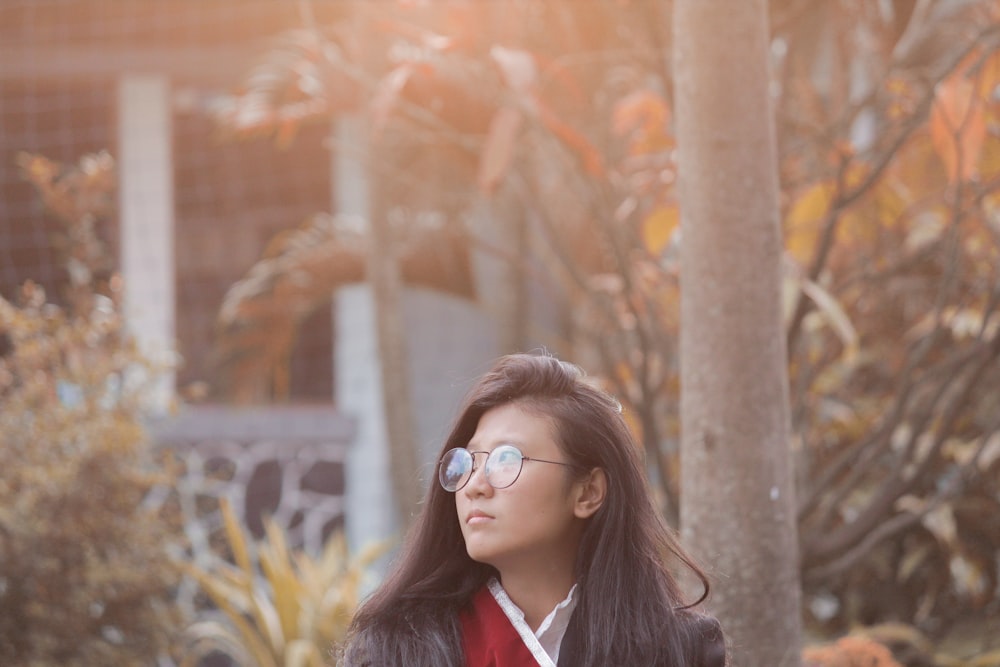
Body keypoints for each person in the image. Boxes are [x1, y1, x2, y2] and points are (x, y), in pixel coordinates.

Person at [339, 353, 726, 666]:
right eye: (468, 462)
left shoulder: (677, 651)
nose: (475, 484)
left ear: (587, 492)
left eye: (506, 460)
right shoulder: (395, 651)